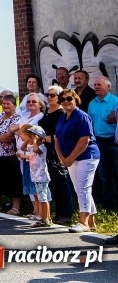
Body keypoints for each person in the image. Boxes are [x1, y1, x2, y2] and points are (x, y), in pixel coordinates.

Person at [54, 88, 100, 233]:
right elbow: (56, 138)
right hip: (69, 159)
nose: (66, 102)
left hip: (87, 156)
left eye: (69, 99)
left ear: (76, 100)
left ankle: (83, 222)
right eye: (63, 100)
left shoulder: (81, 116)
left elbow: (84, 140)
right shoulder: (62, 117)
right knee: (80, 189)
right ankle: (91, 223)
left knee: (83, 188)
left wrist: (70, 158)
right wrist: (63, 158)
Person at [38, 85, 74, 225]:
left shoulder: (60, 113)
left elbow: (61, 133)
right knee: (53, 182)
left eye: (52, 95)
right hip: (46, 150)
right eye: (47, 94)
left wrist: (45, 138)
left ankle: (66, 214)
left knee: (61, 182)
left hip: (56, 150)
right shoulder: (48, 111)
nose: (49, 97)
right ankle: (57, 213)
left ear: (59, 97)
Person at [86, 76, 118, 211]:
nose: (96, 87)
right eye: (95, 85)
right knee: (103, 174)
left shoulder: (116, 101)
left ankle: (116, 203)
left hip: (113, 141)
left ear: (108, 87)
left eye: (99, 85)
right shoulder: (92, 103)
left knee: (116, 173)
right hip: (98, 141)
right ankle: (107, 203)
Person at [11, 92, 45, 218]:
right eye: (28, 101)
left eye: (34, 102)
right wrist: (21, 129)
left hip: (33, 155)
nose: (30, 103)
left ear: (40, 105)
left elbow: (30, 134)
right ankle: (35, 210)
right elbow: (12, 128)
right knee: (29, 184)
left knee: (36, 183)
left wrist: (20, 131)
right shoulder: (25, 117)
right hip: (23, 155)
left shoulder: (40, 117)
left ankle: (41, 212)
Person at [21, 124, 52, 227]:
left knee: (43, 198)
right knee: (41, 197)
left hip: (41, 176)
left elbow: (36, 150)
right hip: (36, 176)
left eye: (31, 136)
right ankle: (46, 218)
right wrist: (29, 139)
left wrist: (34, 140)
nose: (29, 138)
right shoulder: (30, 146)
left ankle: (46, 218)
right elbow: (23, 147)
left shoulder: (42, 148)